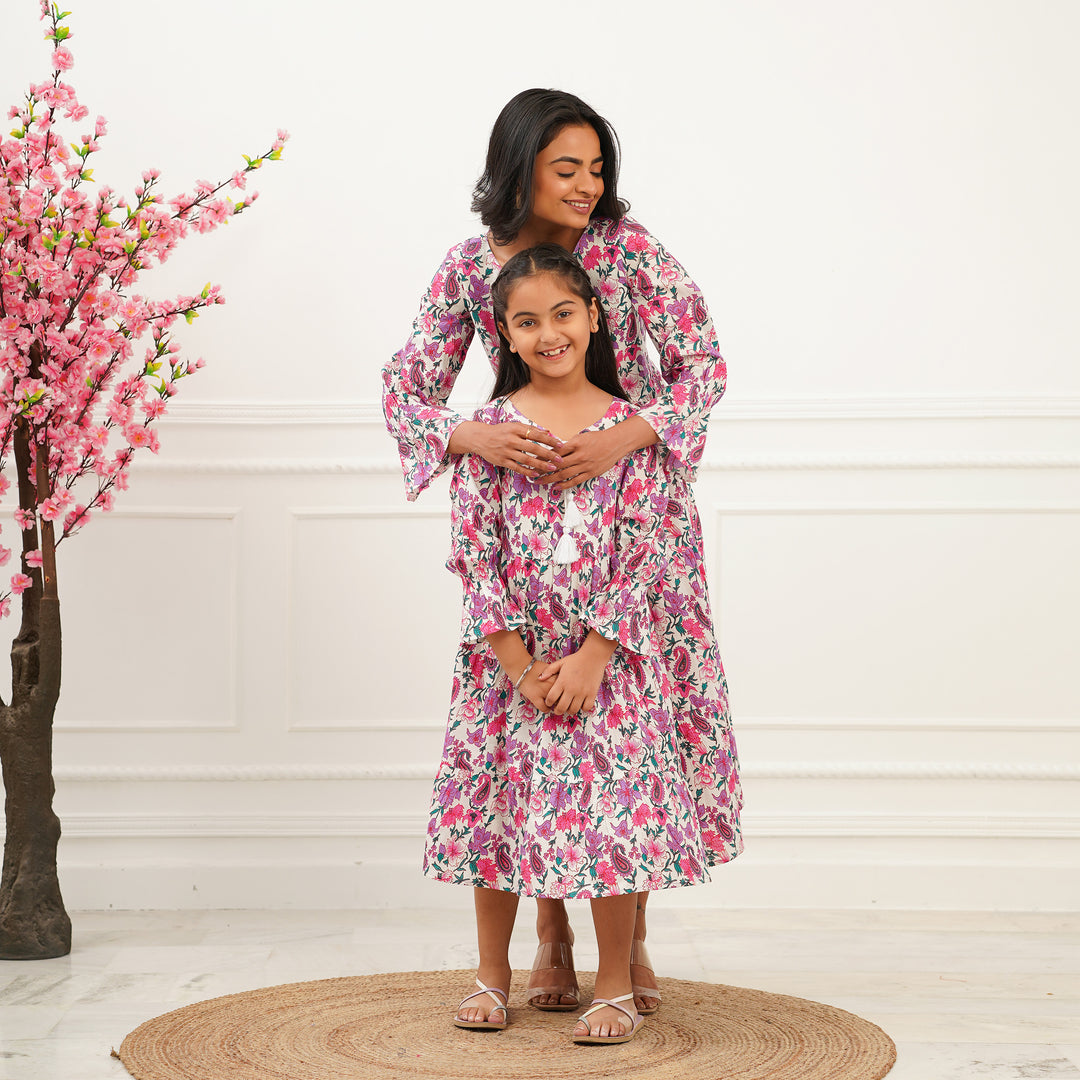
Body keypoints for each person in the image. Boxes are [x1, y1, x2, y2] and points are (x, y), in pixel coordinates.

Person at [383, 88, 743, 1016]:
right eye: (565, 169)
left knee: (627, 730)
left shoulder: (628, 251)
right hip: (521, 527)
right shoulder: (468, 268)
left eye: (596, 168)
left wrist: (636, 434)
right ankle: (547, 935)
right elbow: (406, 387)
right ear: (519, 169)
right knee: (530, 729)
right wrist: (470, 438)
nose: (587, 186)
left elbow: (703, 359)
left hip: (632, 521)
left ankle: (630, 948)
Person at [429, 244, 709, 1043]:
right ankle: (493, 974)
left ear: (593, 317)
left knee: (614, 814)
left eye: (563, 314)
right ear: (504, 336)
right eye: (527, 321)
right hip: (507, 665)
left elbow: (647, 551)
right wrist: (517, 666)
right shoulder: (490, 437)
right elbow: (473, 556)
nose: (548, 333)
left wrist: (594, 655)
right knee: (498, 809)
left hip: (608, 665)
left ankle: (614, 980)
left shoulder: (631, 434)